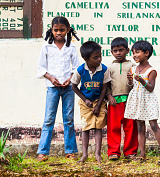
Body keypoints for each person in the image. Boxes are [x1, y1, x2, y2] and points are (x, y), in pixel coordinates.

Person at [36, 16, 80, 162]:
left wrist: (70, 79)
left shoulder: (71, 47)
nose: (59, 32)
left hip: (68, 89)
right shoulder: (46, 47)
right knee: (49, 119)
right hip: (52, 88)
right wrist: (51, 78)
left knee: (68, 119)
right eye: (56, 30)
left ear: (68, 30)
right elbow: (41, 68)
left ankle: (70, 151)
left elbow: (76, 68)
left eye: (62, 30)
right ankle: (42, 152)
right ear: (51, 30)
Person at [124, 41, 160, 163]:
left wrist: (142, 80)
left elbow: (150, 87)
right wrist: (129, 80)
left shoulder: (151, 70)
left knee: (153, 125)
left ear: (147, 53)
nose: (134, 55)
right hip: (137, 99)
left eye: (137, 52)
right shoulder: (133, 69)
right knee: (140, 126)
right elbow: (131, 85)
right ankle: (142, 154)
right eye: (133, 53)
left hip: (148, 100)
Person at [71, 41, 111, 163]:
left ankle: (98, 154)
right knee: (86, 128)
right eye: (95, 57)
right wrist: (85, 99)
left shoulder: (104, 69)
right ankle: (84, 154)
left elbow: (105, 87)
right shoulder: (80, 70)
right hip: (85, 103)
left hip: (100, 102)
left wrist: (98, 105)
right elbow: (73, 86)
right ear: (86, 58)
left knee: (98, 128)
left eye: (100, 56)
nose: (99, 59)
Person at [105, 37, 138, 161]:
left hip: (130, 101)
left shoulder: (133, 66)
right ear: (111, 52)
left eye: (121, 50)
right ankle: (113, 152)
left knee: (131, 127)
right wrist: (109, 96)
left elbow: (136, 83)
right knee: (113, 127)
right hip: (114, 102)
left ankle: (130, 152)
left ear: (127, 50)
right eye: (115, 50)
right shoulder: (108, 68)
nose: (118, 53)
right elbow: (106, 85)